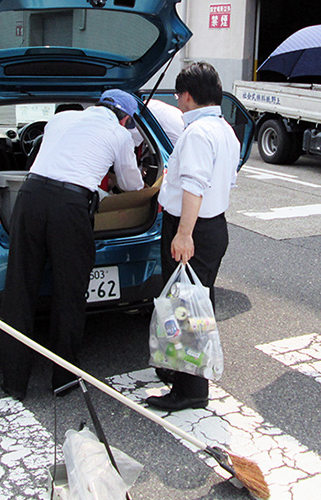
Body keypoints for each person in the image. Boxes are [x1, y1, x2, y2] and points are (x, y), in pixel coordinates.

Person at [0, 89, 145, 400]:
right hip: (71, 207)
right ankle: (63, 379)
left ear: (99, 104)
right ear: (126, 118)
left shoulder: (61, 118)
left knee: (20, 288)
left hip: (30, 197)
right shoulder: (119, 135)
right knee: (70, 293)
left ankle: (14, 383)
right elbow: (133, 185)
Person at [145, 62, 240, 412]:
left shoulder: (198, 133)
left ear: (186, 96)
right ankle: (180, 373)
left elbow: (194, 186)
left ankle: (191, 390)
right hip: (213, 227)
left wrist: (183, 233)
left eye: (178, 95)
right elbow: (227, 181)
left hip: (193, 229)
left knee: (186, 309)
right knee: (195, 305)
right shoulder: (224, 129)